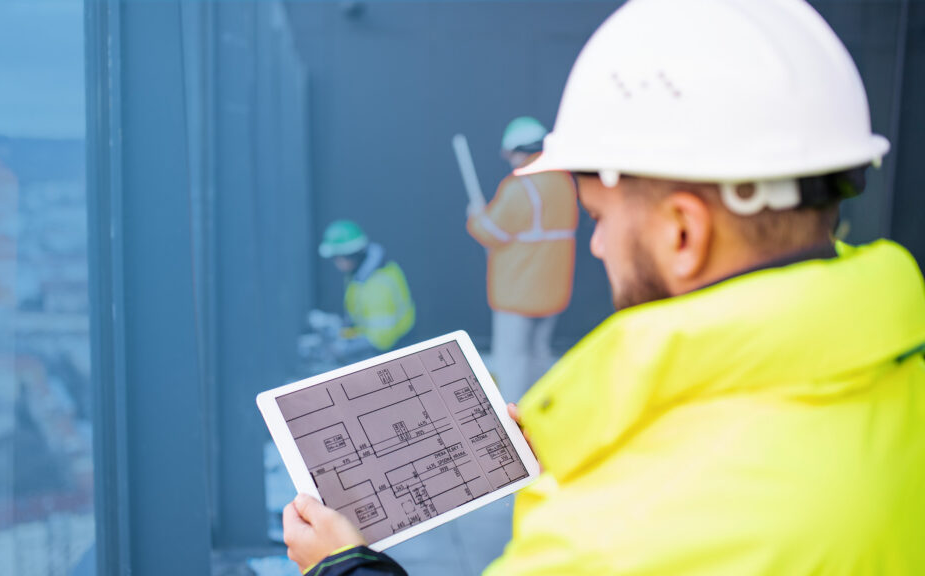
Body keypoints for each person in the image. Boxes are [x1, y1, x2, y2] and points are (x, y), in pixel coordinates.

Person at [283, 1, 925, 574]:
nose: (597, 243)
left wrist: (344, 566)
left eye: (601, 217)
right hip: (548, 292)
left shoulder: (607, 543)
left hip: (515, 290)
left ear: (682, 233)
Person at [466, 116, 579, 401]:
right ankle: (540, 416)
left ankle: (513, 422)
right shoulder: (564, 182)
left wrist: (475, 215)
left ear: (517, 150)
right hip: (552, 292)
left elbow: (490, 231)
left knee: (512, 362)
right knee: (539, 356)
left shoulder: (519, 186)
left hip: (517, 293)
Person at [314, 219, 415, 360]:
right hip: (382, 342)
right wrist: (346, 332)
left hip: (394, 352)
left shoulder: (377, 286)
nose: (336, 263)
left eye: (337, 257)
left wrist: (344, 349)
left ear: (351, 254)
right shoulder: (361, 274)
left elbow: (381, 339)